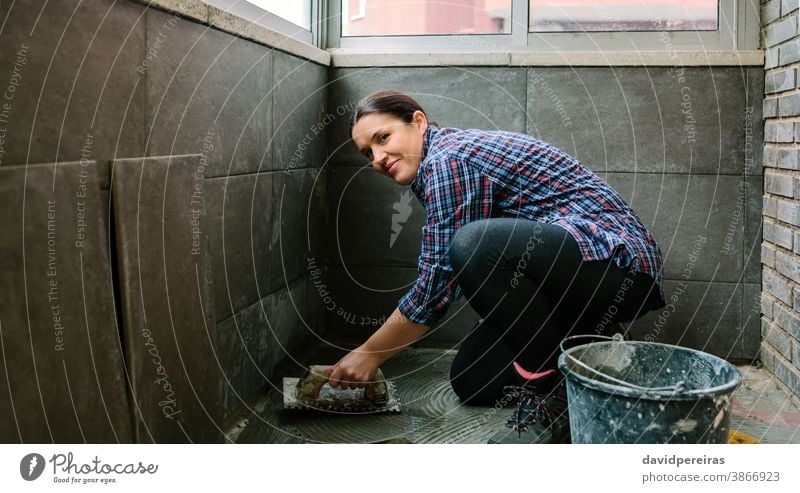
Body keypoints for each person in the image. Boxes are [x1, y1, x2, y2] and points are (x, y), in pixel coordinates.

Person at [327, 89, 666, 443]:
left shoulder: (448, 160)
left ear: (418, 121)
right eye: (368, 152)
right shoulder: (437, 164)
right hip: (571, 277)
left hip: (617, 264)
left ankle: (549, 399)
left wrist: (369, 354)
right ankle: (592, 348)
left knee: (473, 245)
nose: (378, 157)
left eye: (384, 138)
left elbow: (437, 286)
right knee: (475, 379)